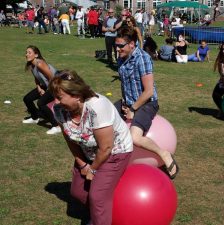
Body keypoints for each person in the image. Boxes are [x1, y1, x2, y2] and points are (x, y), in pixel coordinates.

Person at [49, 70, 133, 225]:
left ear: (77, 95)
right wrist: (82, 164)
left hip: (114, 152)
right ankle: (98, 213)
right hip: (88, 152)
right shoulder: (59, 109)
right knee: (77, 191)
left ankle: (99, 216)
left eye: (59, 97)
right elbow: (69, 140)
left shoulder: (97, 107)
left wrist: (93, 169)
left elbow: (106, 147)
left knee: (98, 197)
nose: (56, 102)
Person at [115, 27, 179, 179]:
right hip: (129, 102)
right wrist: (125, 103)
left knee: (135, 137)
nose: (117, 49)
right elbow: (125, 84)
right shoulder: (121, 58)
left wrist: (133, 108)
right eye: (116, 45)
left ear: (131, 44)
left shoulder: (142, 58)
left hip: (147, 103)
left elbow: (149, 91)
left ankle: (164, 154)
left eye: (120, 46)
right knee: (103, 122)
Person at [23, 45, 61, 134]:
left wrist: (47, 90)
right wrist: (39, 88)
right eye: (26, 52)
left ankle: (57, 126)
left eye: (29, 53)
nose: (26, 54)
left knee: (41, 103)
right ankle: (35, 118)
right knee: (27, 99)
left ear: (36, 55)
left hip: (56, 85)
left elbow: (52, 77)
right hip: (46, 85)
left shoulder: (40, 63)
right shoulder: (31, 65)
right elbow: (36, 78)